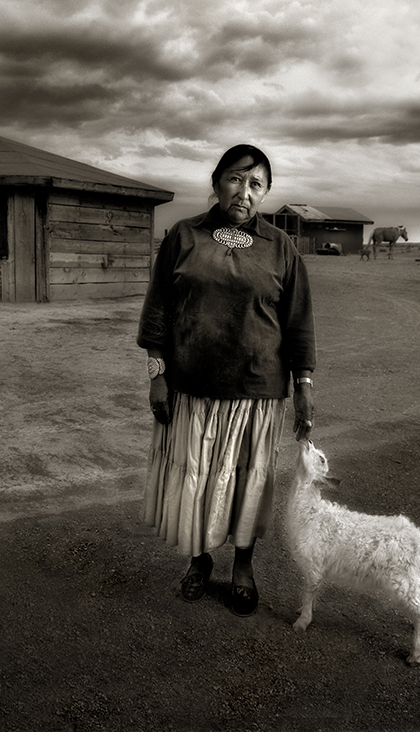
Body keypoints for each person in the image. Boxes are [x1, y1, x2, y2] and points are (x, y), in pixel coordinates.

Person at [137, 143, 316, 616]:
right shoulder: (184, 235)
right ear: (217, 182)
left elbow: (298, 322)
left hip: (256, 392)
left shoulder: (281, 247)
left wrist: (304, 387)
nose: (245, 191)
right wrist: (157, 376)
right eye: (236, 178)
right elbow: (158, 311)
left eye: (257, 184)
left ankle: (243, 567)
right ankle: (199, 562)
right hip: (191, 387)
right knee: (196, 479)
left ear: (266, 193)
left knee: (245, 482)